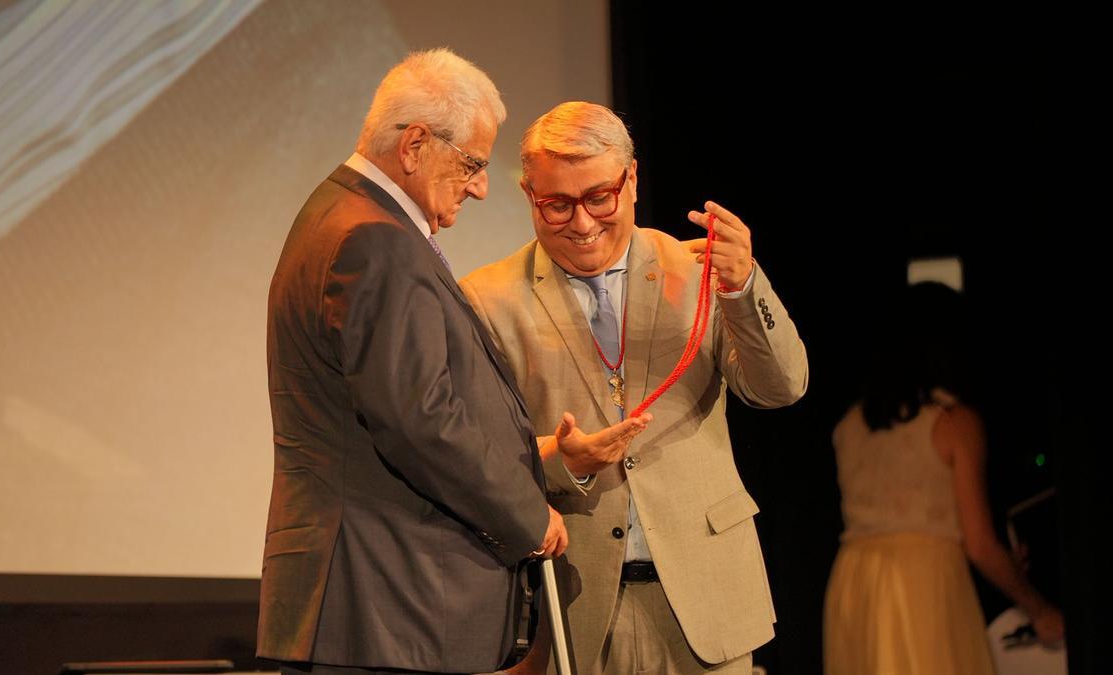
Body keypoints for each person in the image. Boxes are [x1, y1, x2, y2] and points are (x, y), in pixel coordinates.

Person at [256, 53, 648, 674]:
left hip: (371, 604)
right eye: (471, 162)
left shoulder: (338, 215)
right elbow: (419, 419)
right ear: (415, 144)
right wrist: (527, 516)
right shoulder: (375, 238)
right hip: (387, 603)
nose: (480, 186)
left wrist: (536, 454)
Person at [460, 101, 808, 674]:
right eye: (557, 204)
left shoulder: (697, 271)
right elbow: (474, 454)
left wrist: (744, 286)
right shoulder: (488, 299)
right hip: (578, 605)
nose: (582, 222)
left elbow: (781, 388)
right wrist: (558, 461)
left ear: (633, 179)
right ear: (528, 194)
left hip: (708, 597)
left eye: (600, 196)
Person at [823, 281, 1065, 675]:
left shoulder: (850, 423)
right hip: (921, 581)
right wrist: (1039, 609)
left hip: (854, 580)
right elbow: (980, 544)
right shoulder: (954, 421)